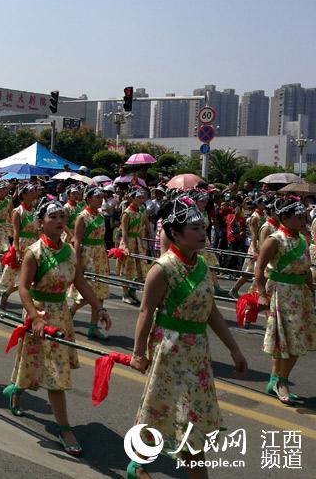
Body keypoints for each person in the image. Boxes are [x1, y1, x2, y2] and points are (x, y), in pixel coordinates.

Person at [128, 196, 248, 478]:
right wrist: (138, 353)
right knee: (175, 415)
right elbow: (145, 312)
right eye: (194, 229)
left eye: (202, 227)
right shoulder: (162, 269)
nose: (202, 232)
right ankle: (140, 461)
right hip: (170, 350)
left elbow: (212, 312)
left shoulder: (203, 266)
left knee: (176, 413)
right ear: (175, 234)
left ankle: (139, 461)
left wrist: (234, 349)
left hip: (197, 353)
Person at [5, 197, 111, 457]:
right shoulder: (34, 252)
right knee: (38, 365)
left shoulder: (70, 252)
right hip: (39, 312)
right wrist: (35, 317)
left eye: (63, 216)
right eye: (53, 217)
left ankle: (58, 423)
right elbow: (23, 288)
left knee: (55, 370)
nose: (60, 221)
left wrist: (99, 307)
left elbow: (80, 282)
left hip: (61, 314)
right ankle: (62, 426)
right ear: (40, 223)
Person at [252, 197, 316, 405]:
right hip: (281, 293)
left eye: (303, 217)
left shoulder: (303, 239)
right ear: (285, 218)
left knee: (290, 340)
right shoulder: (274, 240)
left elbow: (306, 268)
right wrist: (261, 293)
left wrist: (311, 291)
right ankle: (282, 381)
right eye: (298, 217)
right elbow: (259, 269)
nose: (303, 221)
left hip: (300, 294)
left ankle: (274, 380)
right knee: (289, 340)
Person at [69, 187, 111, 339]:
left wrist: (105, 255)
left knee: (100, 292)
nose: (101, 199)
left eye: (101, 197)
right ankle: (72, 310)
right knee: (89, 291)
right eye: (97, 197)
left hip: (99, 254)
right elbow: (77, 241)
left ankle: (93, 327)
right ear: (88, 198)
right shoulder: (82, 216)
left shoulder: (100, 216)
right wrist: (78, 262)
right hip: (87, 255)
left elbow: (102, 238)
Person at [0, 183, 40, 308]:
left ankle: (7, 294)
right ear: (23, 194)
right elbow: (15, 232)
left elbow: (37, 231)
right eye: (31, 192)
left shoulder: (34, 211)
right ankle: (25, 304)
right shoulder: (17, 211)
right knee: (25, 276)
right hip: (23, 245)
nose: (34, 194)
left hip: (34, 244)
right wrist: (16, 250)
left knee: (33, 277)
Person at [118, 187, 149, 305]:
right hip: (128, 241)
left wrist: (142, 243)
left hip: (137, 241)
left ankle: (133, 292)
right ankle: (125, 294)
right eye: (138, 198)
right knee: (127, 269)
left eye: (142, 198)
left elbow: (141, 229)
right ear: (132, 198)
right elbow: (124, 232)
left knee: (140, 269)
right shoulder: (127, 213)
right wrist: (125, 246)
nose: (141, 200)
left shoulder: (141, 211)